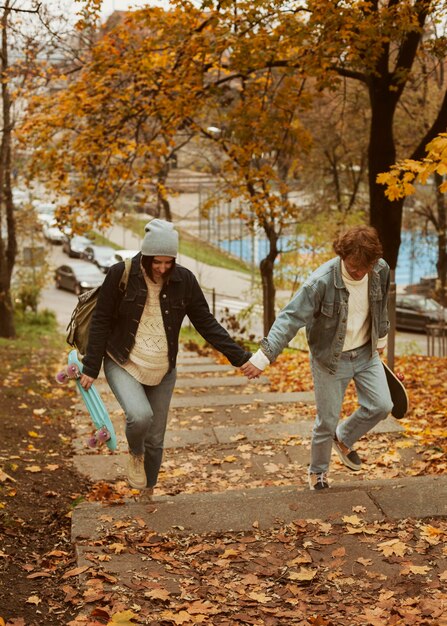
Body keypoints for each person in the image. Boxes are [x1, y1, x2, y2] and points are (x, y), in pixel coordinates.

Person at [79, 219, 251, 493]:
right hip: (123, 360)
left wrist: (240, 357)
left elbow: (206, 323)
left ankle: (147, 492)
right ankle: (135, 454)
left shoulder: (184, 281)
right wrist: (90, 366)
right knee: (140, 416)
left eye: (168, 262)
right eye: (156, 262)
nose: (162, 268)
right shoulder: (119, 275)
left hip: (162, 369)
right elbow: (100, 321)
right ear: (145, 256)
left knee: (156, 441)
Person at [241, 225, 393, 490]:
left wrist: (380, 342)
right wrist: (263, 356)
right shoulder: (320, 282)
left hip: (366, 353)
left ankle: (343, 437)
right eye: (354, 267)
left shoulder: (380, 270)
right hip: (330, 360)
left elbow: (380, 307)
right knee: (327, 421)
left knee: (382, 405)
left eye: (365, 267)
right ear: (342, 255)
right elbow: (289, 319)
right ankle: (318, 472)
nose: (359, 272)